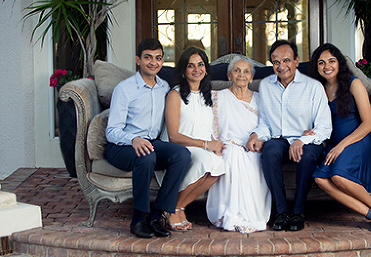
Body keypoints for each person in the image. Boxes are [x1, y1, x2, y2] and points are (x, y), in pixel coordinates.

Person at [105, 38, 191, 238]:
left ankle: (156, 215)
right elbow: (111, 131)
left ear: (162, 61)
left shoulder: (164, 87)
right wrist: (133, 139)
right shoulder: (125, 89)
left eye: (158, 58)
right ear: (138, 60)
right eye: (148, 58)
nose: (153, 62)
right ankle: (138, 219)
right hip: (121, 147)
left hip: (152, 143)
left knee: (182, 155)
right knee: (146, 156)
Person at [246, 40, 332, 232]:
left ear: (296, 61)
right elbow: (266, 124)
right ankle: (281, 212)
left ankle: (298, 212)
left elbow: (325, 127)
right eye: (276, 62)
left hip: (309, 140)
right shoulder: (266, 86)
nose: (281, 66)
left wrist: (302, 140)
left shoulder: (313, 86)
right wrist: (256, 135)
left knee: (307, 155)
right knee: (269, 152)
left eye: (286, 60)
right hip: (280, 139)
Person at [309, 43, 371, 234]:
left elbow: (368, 124)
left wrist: (341, 146)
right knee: (320, 180)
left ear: (340, 63)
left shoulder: (354, 84)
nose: (326, 66)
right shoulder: (317, 88)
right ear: (316, 67)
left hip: (356, 140)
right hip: (333, 143)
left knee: (337, 177)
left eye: (331, 61)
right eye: (321, 63)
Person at [206, 56, 271, 233]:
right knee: (233, 154)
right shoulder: (218, 98)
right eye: (237, 70)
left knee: (253, 158)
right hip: (228, 145)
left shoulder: (261, 99)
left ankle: (251, 215)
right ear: (229, 75)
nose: (241, 75)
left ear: (251, 77)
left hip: (254, 146)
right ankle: (230, 213)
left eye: (246, 71)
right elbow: (209, 125)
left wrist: (259, 139)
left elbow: (268, 125)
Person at [164, 47, 225, 231]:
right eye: (191, 66)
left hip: (202, 146)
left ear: (206, 68)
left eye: (200, 64)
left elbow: (211, 128)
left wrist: (218, 143)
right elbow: (173, 136)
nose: (196, 69)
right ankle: (171, 209)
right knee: (206, 159)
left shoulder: (209, 96)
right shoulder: (175, 95)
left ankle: (178, 207)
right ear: (183, 70)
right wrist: (207, 145)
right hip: (180, 147)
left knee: (221, 164)